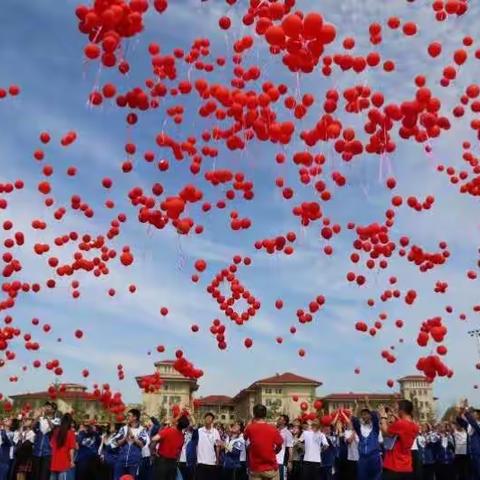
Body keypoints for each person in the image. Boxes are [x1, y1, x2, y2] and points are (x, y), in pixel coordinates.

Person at [380, 399, 419, 480]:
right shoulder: (415, 426)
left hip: (393, 466)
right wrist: (395, 416)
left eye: (397, 408)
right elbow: (402, 429)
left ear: (402, 410)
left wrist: (383, 416)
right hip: (406, 466)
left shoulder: (401, 424)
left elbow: (385, 432)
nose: (396, 410)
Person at [243, 404, 283, 480]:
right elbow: (279, 444)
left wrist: (249, 423)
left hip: (255, 468)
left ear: (254, 414)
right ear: (265, 414)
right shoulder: (273, 429)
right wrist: (275, 452)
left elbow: (245, 437)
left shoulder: (250, 428)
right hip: (271, 468)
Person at [111, 409, 149, 480]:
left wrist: (133, 437)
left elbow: (142, 444)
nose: (127, 417)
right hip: (121, 461)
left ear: (135, 417)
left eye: (129, 415)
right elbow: (117, 442)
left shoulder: (142, 430)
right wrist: (125, 437)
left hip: (134, 463)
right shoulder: (123, 428)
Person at [151, 415, 189, 480]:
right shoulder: (182, 437)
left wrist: (154, 450)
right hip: (173, 463)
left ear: (177, 422)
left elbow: (154, 438)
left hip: (162, 462)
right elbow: (179, 453)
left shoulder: (168, 431)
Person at [351, 403, 382, 480]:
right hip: (363, 459)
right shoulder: (360, 429)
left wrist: (368, 403)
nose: (364, 416)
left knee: (376, 478)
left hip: (374, 458)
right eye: (362, 415)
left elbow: (375, 417)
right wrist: (357, 407)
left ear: (370, 415)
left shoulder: (375, 428)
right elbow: (354, 420)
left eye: (366, 414)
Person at [32, 402, 61, 480]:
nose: (48, 409)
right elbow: (33, 426)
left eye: (50, 408)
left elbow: (53, 428)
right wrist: (38, 416)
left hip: (47, 452)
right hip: (36, 452)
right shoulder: (40, 419)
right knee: (35, 475)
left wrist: (47, 418)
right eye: (47, 407)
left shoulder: (56, 420)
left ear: (54, 410)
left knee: (44, 476)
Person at [193, 412, 221, 480]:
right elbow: (195, 444)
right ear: (204, 419)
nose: (208, 419)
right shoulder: (199, 431)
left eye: (210, 418)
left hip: (212, 462)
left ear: (212, 420)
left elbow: (217, 446)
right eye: (207, 417)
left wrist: (217, 458)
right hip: (201, 462)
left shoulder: (215, 432)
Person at [456, 401, 480, 479]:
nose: (472, 414)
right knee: (470, 474)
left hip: (477, 453)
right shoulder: (469, 425)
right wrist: (460, 412)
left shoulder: (477, 424)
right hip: (469, 453)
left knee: (478, 473)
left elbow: (474, 424)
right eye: (472, 413)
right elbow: (460, 421)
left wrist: (466, 412)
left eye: (474, 413)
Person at [50, 413, 76, 480]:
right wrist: (72, 461)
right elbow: (71, 449)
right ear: (70, 423)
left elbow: (51, 444)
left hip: (54, 463)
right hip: (64, 464)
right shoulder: (71, 433)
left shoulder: (56, 432)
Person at [276, 416, 293, 480]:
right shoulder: (275, 431)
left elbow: (290, 448)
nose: (278, 420)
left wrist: (290, 461)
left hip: (282, 461)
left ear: (284, 422)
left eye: (280, 419)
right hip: (273, 461)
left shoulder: (287, 433)